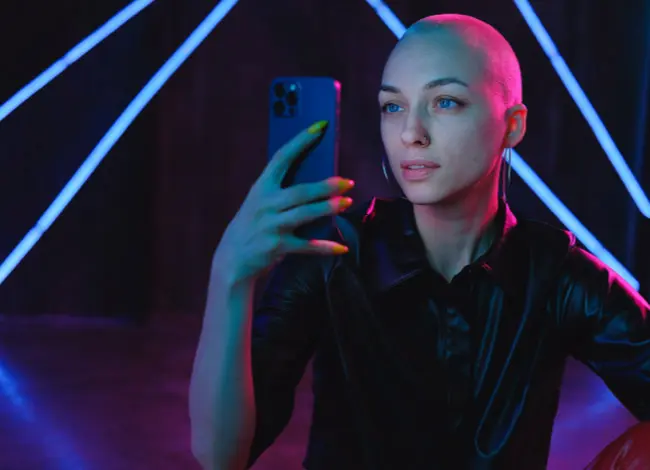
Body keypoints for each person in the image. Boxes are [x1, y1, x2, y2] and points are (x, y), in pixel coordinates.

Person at [189, 13, 650, 470]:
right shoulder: (332, 257)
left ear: (512, 126)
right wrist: (230, 276)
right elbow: (220, 456)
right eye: (393, 106)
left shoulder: (556, 273)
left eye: (445, 102)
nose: (411, 133)